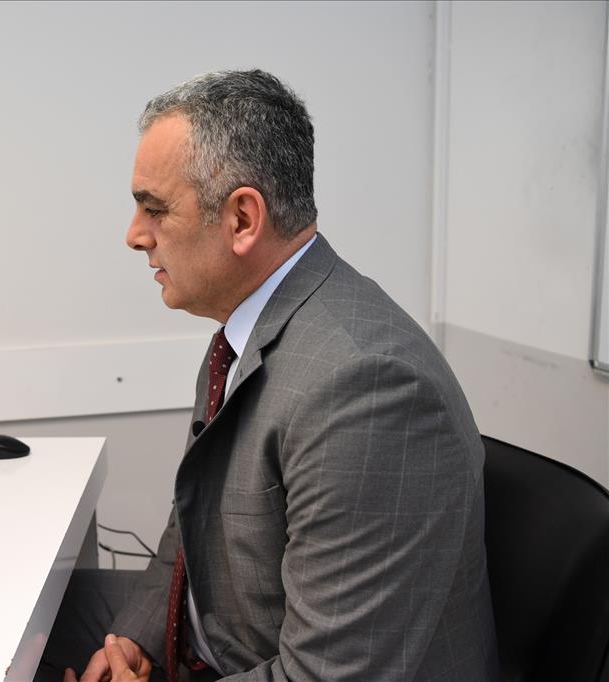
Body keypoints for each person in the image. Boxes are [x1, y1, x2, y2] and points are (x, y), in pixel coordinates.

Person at [45, 70, 498, 682]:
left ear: (242, 219)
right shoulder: (247, 328)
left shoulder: (367, 389)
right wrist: (137, 637)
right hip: (219, 634)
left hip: (271, 663)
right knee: (26, 615)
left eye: (154, 209)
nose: (134, 236)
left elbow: (325, 674)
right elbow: (193, 518)